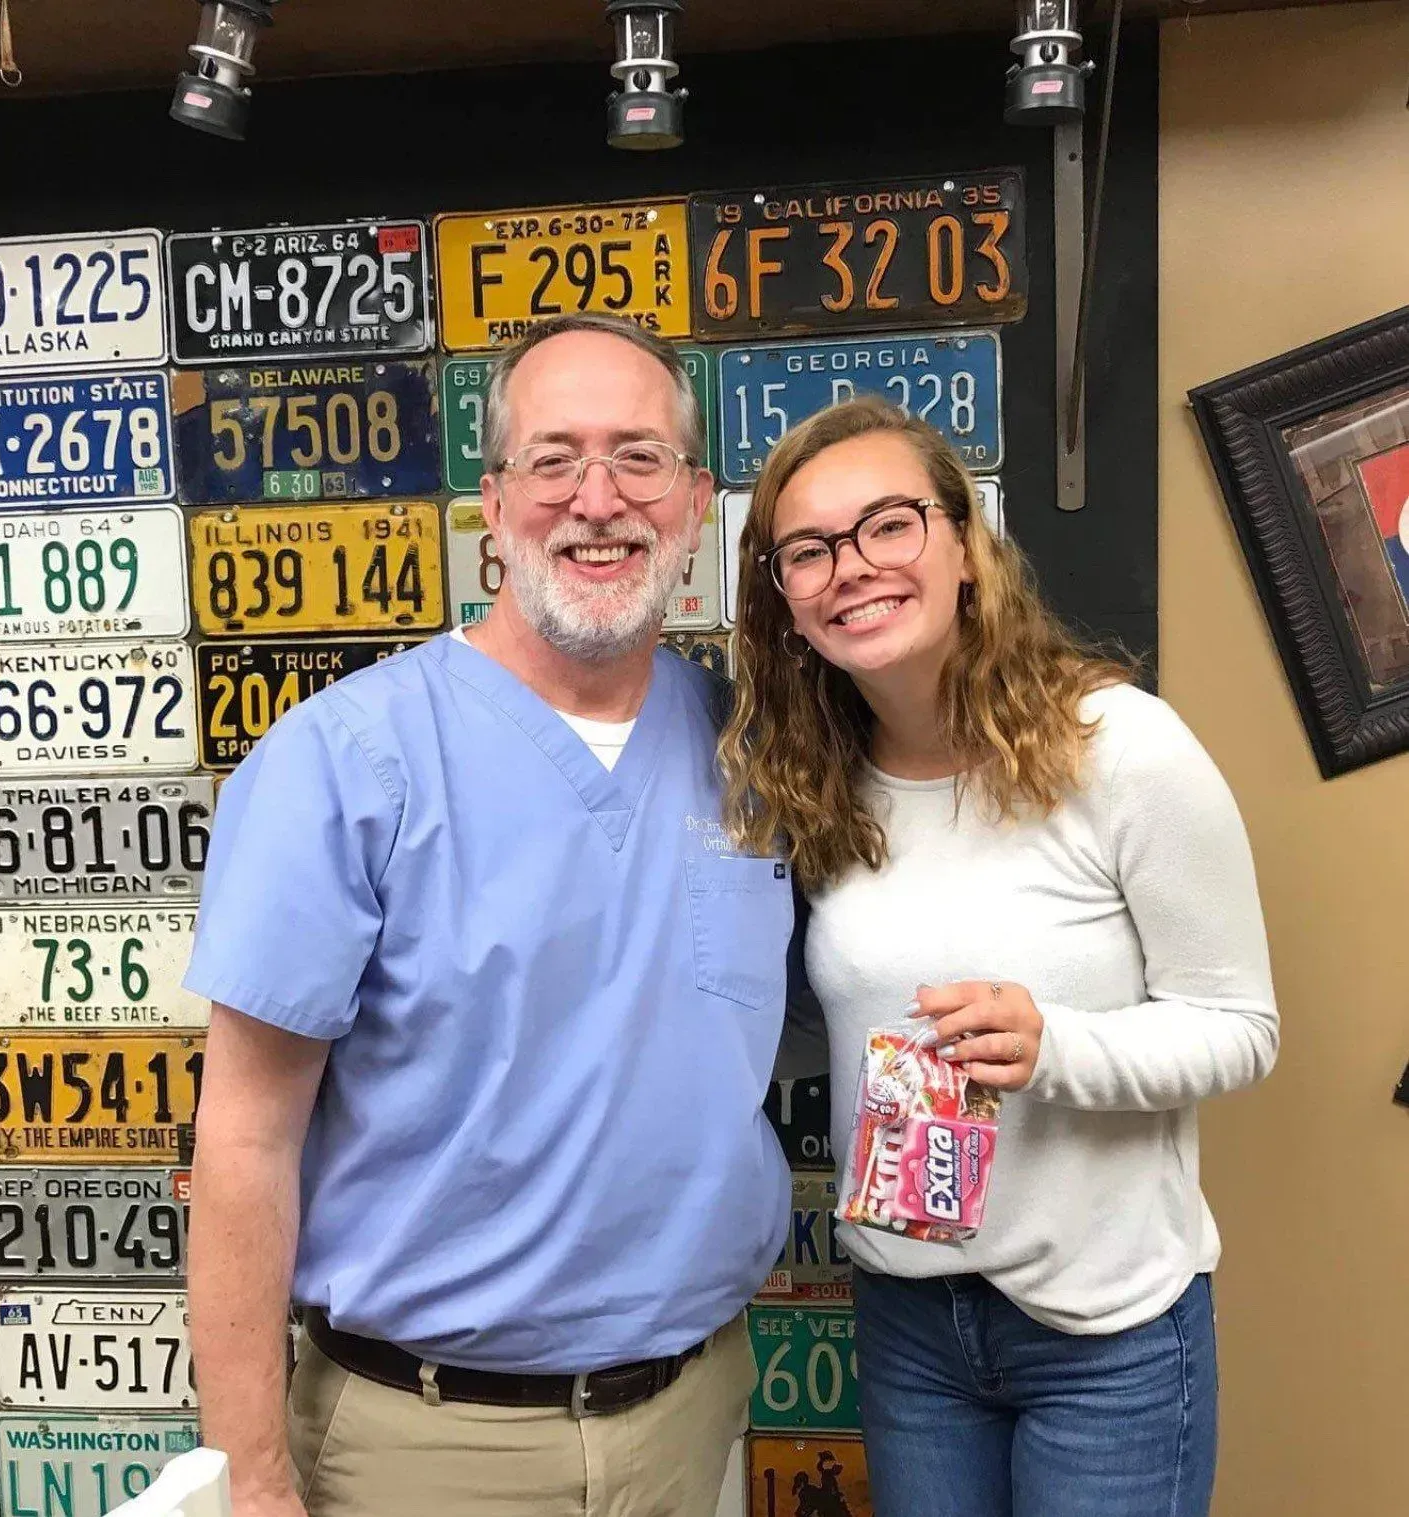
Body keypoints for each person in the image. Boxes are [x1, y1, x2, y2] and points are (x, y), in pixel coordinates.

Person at [183, 313, 794, 1517]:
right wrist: (248, 1476)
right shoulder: (345, 761)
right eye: (554, 457)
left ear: (695, 498)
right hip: (427, 1444)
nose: (597, 498)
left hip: (695, 1409)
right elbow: (244, 1141)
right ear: (494, 501)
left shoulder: (753, 746)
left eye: (638, 457)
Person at [721, 396, 1278, 1517]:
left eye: (889, 524)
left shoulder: (1119, 747)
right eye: (809, 550)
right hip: (909, 1322)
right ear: (782, 598)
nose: (852, 568)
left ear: (965, 547)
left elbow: (1243, 1028)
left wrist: (1052, 1044)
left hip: (1106, 1330)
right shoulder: (810, 787)